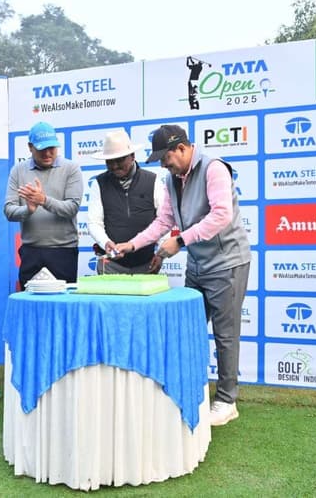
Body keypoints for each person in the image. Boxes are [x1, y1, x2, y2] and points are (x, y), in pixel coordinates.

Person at [114, 125, 251, 426]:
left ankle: (227, 400)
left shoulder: (214, 169)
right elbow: (164, 220)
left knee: (225, 335)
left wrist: (180, 241)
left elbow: (221, 215)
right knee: (189, 329)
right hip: (198, 265)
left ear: (182, 148)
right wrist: (133, 244)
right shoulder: (171, 179)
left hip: (227, 263)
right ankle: (190, 390)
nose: (164, 165)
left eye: (166, 158)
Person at [4, 121, 83, 287]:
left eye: (51, 148)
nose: (47, 153)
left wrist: (44, 201)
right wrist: (28, 210)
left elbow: (72, 208)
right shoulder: (18, 170)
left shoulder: (71, 168)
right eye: (42, 149)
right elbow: (9, 211)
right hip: (31, 252)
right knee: (30, 300)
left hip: (64, 251)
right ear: (30, 147)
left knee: (62, 300)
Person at [87, 129, 164, 274]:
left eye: (120, 159)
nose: (115, 165)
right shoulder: (99, 183)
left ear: (132, 156)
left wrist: (161, 254)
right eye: (110, 161)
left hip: (147, 263)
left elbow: (164, 220)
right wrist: (105, 242)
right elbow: (94, 222)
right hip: (111, 265)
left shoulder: (153, 181)